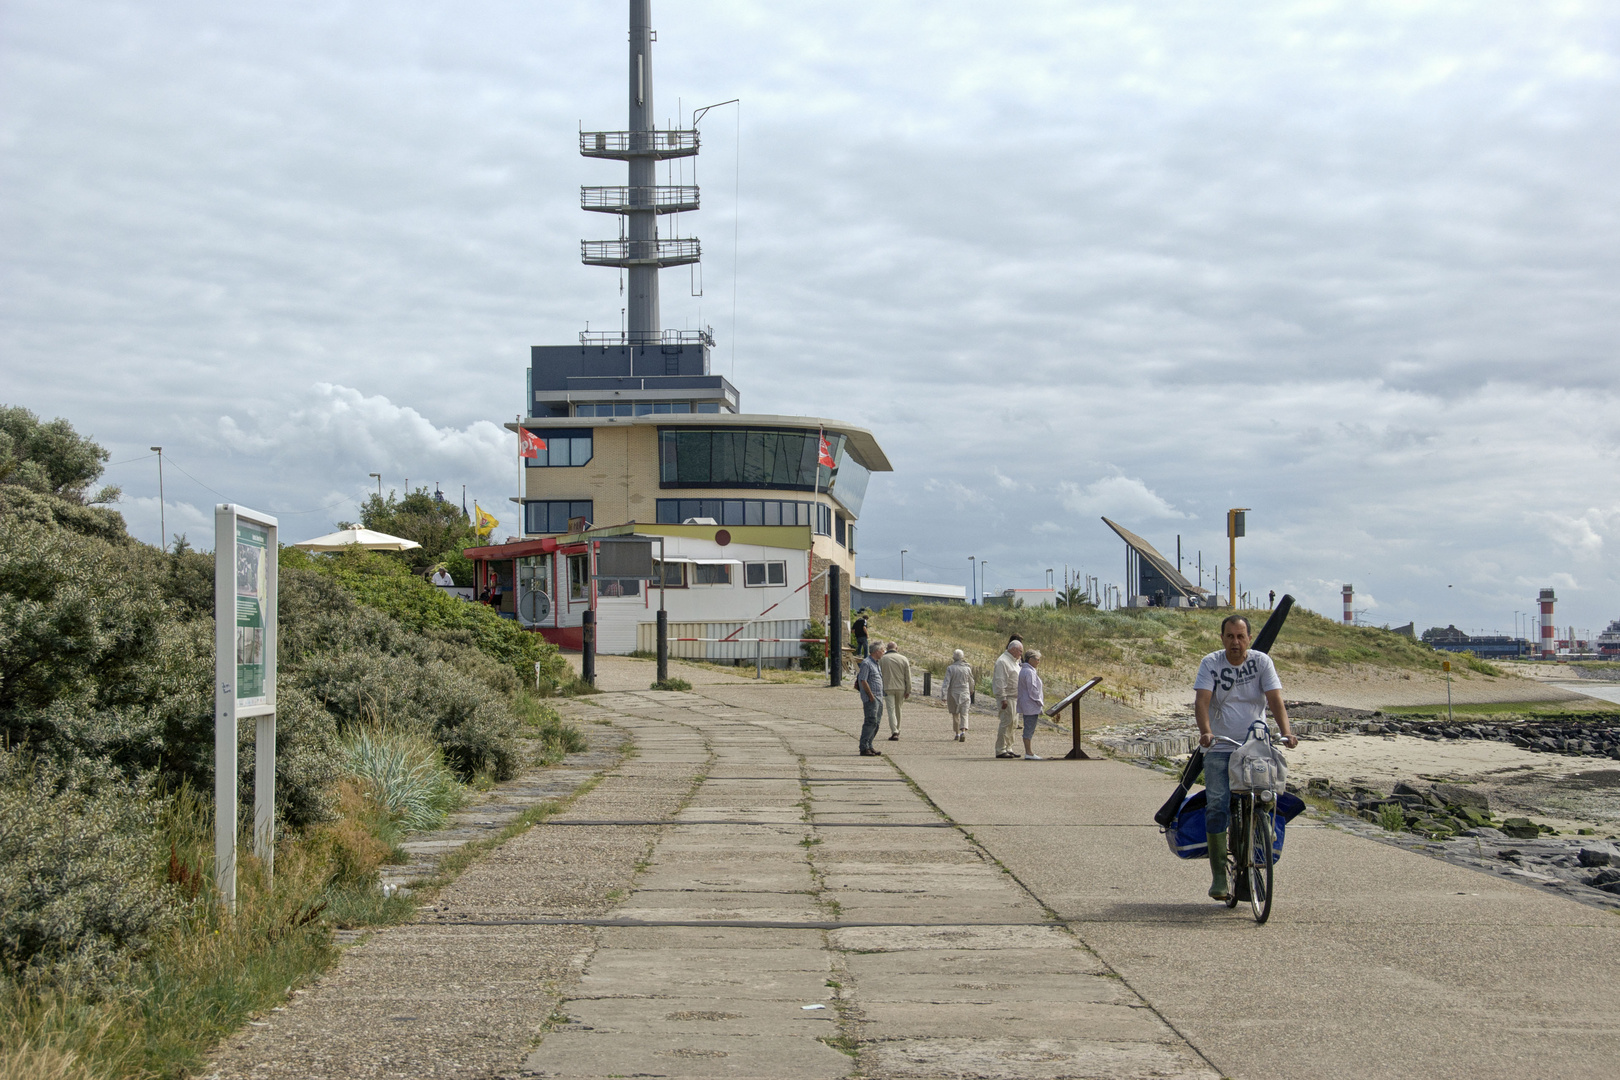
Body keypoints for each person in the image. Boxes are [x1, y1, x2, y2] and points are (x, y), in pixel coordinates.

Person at [1194, 614, 1298, 901]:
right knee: (1217, 803)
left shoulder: (1262, 662)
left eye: (1241, 636)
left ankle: (1261, 838)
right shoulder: (1211, 663)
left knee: (1265, 797)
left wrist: (1286, 733)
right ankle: (1218, 877)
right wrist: (1206, 732)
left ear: (1249, 639)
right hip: (1221, 746)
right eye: (1230, 636)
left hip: (1255, 745)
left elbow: (1275, 699)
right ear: (1222, 638)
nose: (1235, 642)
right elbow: (1201, 701)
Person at [992, 636, 1024, 759]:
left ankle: (1009, 747)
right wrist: (1002, 698)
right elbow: (1000, 681)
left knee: (1013, 723)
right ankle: (1000, 749)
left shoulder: (1014, 661)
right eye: (1020, 651)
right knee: (1006, 722)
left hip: (1015, 697)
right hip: (1007, 697)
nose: (1021, 654)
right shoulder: (1003, 661)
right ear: (1014, 650)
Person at [855, 642, 886, 757]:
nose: (883, 653)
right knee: (870, 721)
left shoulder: (876, 663)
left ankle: (869, 745)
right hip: (872, 698)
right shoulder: (867, 663)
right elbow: (863, 680)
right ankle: (864, 747)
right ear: (877, 651)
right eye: (882, 650)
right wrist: (871, 696)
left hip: (879, 697)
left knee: (876, 722)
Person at [879, 642, 912, 741]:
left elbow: (878, 674)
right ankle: (898, 729)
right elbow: (908, 676)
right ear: (897, 648)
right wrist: (908, 690)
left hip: (888, 687)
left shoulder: (882, 659)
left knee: (891, 710)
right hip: (901, 688)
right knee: (898, 709)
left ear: (886, 649)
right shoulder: (903, 659)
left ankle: (894, 731)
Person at [1017, 649, 1046, 760]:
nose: (1038, 662)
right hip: (1031, 704)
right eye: (1037, 660)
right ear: (1030, 660)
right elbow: (1032, 688)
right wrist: (1039, 701)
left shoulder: (1026, 670)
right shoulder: (1028, 672)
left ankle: (1029, 751)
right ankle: (1028, 752)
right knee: (1029, 728)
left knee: (1029, 727)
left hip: (1028, 703)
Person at [942, 649, 974, 741]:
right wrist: (971, 690)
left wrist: (944, 695)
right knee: (964, 713)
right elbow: (971, 681)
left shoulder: (950, 668)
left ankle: (957, 733)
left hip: (953, 693)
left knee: (955, 714)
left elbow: (946, 683)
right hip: (965, 693)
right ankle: (963, 731)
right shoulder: (967, 668)